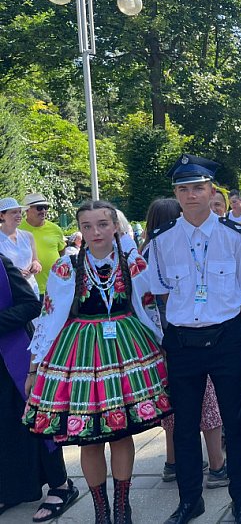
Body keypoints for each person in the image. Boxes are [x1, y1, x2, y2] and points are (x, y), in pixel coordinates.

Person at [23, 200, 170, 524]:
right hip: (79, 356)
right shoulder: (68, 266)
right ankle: (100, 510)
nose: (95, 232)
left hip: (126, 350)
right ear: (80, 230)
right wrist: (35, 367)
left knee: (120, 433)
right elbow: (50, 317)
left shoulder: (133, 262)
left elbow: (148, 309)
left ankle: (122, 507)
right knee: (88, 437)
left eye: (102, 224)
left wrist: (163, 348)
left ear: (115, 226)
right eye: (87, 226)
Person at [145, 154, 241, 524]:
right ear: (176, 194)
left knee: (236, 423)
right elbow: (160, 292)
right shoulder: (162, 241)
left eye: (198, 187)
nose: (191, 195)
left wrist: (229, 327)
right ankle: (189, 501)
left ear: (212, 190)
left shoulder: (234, 235)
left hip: (226, 338)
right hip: (182, 342)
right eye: (183, 189)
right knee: (184, 426)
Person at [140, 198, 227, 490]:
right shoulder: (167, 248)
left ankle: (172, 461)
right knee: (208, 402)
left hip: (159, 344)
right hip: (184, 338)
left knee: (175, 404)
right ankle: (217, 465)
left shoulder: (143, 251)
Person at [0, 254, 77, 522]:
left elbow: (31, 304)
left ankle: (61, 485)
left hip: (12, 357)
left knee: (35, 421)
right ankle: (10, 490)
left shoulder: (1, 263)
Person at [19, 193, 65, 297]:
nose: (43, 211)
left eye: (46, 207)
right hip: (27, 287)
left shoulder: (55, 229)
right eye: (39, 208)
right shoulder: (17, 230)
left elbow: (62, 252)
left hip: (55, 287)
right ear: (27, 210)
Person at [0, 197, 41, 295]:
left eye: (19, 212)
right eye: (14, 212)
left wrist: (36, 265)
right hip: (9, 290)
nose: (18, 215)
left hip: (31, 288)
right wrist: (14, 274)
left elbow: (36, 260)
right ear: (2, 216)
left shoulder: (28, 236)